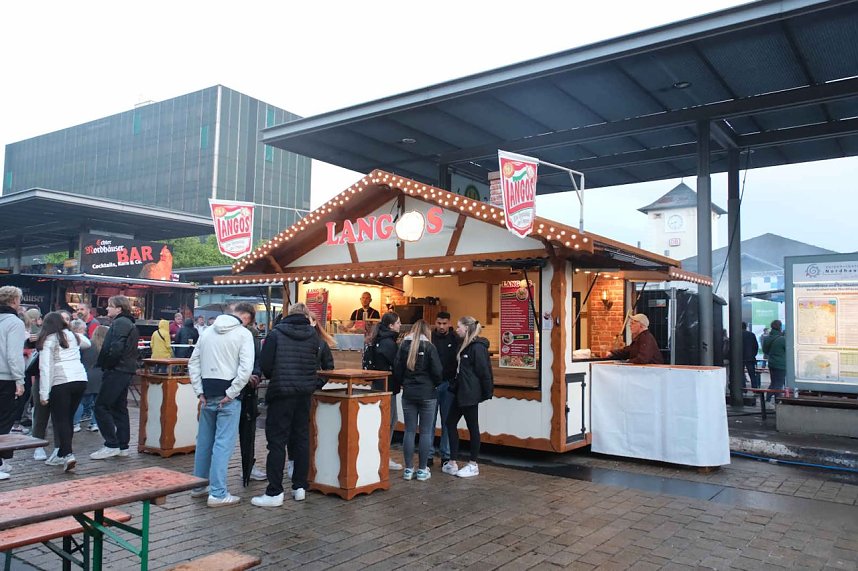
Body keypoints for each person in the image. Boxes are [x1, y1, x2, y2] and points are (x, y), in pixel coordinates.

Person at [252, 303, 320, 507]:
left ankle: (275, 492)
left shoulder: (275, 334)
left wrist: (276, 376)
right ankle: (300, 487)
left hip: (281, 392)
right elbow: (315, 364)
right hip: (304, 394)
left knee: (277, 442)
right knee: (301, 440)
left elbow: (266, 365)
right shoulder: (313, 336)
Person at [188, 302, 255, 507]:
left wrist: (199, 391)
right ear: (244, 317)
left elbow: (193, 362)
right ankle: (217, 492)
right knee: (222, 444)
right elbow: (245, 369)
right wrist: (232, 392)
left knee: (205, 442)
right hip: (228, 394)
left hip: (207, 391)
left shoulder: (207, 332)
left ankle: (199, 485)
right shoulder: (243, 335)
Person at [37, 312, 90, 472]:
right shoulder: (72, 336)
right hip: (80, 379)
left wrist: (44, 393)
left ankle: (67, 454)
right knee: (68, 418)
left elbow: (45, 367)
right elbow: (87, 343)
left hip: (61, 381)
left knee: (60, 420)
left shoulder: (49, 340)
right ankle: (61, 453)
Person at [91, 295, 139, 460]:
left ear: (119, 308)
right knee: (119, 407)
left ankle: (111, 444)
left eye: (110, 306)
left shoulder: (120, 323)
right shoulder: (128, 323)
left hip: (117, 370)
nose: (107, 309)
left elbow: (116, 348)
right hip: (124, 369)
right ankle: (122, 445)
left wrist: (108, 365)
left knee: (101, 406)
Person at [444, 316, 493, 478]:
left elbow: (483, 371)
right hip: (461, 391)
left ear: (466, 328)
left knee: (472, 426)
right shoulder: (464, 345)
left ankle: (473, 463)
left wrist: (487, 392)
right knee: (450, 423)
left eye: (459, 327)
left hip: (470, 393)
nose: (456, 329)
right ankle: (452, 461)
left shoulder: (477, 347)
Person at [394, 319, 442, 481]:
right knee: (426, 432)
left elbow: (397, 370)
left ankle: (408, 469)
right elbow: (438, 372)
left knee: (409, 431)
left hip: (408, 393)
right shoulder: (430, 347)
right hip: (428, 394)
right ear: (427, 331)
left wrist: (404, 383)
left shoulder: (403, 346)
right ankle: (422, 470)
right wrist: (434, 384)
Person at [366, 312, 403, 470]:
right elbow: (397, 365)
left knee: (383, 421)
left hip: (379, 385)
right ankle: (383, 456)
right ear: (391, 325)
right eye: (398, 323)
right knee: (388, 421)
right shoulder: (389, 343)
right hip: (387, 387)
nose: (400, 325)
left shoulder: (379, 338)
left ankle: (379, 455)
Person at [0, 286, 27, 480]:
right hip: (5, 378)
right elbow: (13, 355)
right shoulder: (14, 323)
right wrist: (20, 379)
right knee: (3, 421)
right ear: (14, 301)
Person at [431, 311, 460, 467]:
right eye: (439, 323)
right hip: (432, 384)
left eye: (444, 323)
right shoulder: (430, 338)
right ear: (435, 322)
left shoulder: (456, 339)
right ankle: (428, 455)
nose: (441, 326)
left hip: (448, 384)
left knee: (447, 421)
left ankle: (446, 455)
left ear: (449, 323)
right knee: (429, 421)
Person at [74, 325, 107, 434]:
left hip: (86, 374)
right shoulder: (106, 347)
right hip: (101, 376)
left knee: (80, 401)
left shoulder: (87, 345)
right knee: (97, 403)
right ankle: (94, 424)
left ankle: (76, 424)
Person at [762, 319, 786, 402]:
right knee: (779, 384)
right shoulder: (783, 339)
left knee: (773, 383)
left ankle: (770, 400)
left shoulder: (767, 338)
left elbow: (765, 351)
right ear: (780, 327)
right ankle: (773, 401)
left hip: (771, 363)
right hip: (781, 364)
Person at [742, 322, 760, 389]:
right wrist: (753, 355)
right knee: (752, 374)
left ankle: (743, 388)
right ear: (746, 326)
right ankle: (754, 388)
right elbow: (756, 346)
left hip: (740, 357)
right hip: (750, 357)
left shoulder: (736, 334)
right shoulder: (751, 335)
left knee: (741, 374)